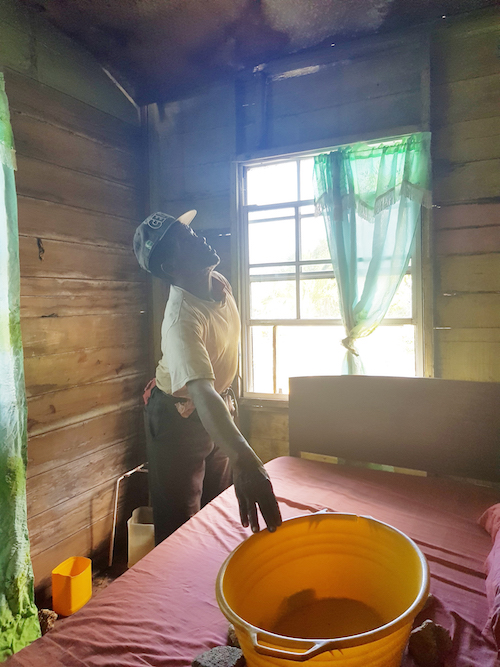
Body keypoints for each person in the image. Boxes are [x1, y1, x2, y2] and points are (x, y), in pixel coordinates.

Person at [133, 210, 282, 544]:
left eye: (191, 231)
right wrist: (246, 458)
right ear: (171, 268)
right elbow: (201, 393)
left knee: (221, 508)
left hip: (217, 406)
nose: (198, 238)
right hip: (178, 418)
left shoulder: (217, 282)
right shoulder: (181, 320)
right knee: (180, 528)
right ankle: (177, 592)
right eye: (185, 240)